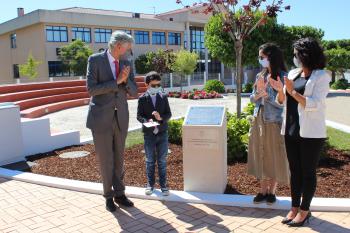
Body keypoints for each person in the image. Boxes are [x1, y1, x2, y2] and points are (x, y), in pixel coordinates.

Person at [269, 37, 331, 227]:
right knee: (295, 172)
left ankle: (305, 211)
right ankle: (294, 208)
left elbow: (315, 104)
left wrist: (292, 92)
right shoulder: (294, 73)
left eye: (296, 53)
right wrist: (281, 91)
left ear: (305, 55)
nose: (294, 57)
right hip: (290, 129)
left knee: (308, 173)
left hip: (311, 133)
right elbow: (283, 101)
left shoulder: (322, 76)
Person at [86, 31, 138, 212]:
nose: (128, 53)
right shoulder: (95, 60)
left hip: (120, 118)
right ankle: (108, 196)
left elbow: (134, 91)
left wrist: (125, 82)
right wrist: (117, 81)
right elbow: (91, 89)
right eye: (127, 49)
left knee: (119, 160)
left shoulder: (126, 63)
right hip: (101, 118)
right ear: (118, 47)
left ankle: (120, 193)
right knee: (106, 160)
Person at [248, 43, 290, 205]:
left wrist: (267, 96)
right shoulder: (260, 75)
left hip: (273, 122)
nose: (260, 60)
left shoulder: (283, 77)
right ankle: (262, 190)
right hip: (258, 120)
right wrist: (259, 94)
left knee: (273, 155)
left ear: (271, 57)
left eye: (262, 57)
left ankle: (272, 192)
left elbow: (282, 103)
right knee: (260, 154)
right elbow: (252, 99)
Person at [137, 71, 172, 196]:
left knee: (162, 160)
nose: (156, 88)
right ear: (147, 85)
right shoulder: (142, 99)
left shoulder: (163, 97)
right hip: (149, 134)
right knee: (150, 160)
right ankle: (150, 185)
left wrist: (160, 117)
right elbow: (139, 116)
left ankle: (163, 186)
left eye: (158, 85)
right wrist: (147, 120)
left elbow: (169, 114)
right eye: (154, 85)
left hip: (162, 133)